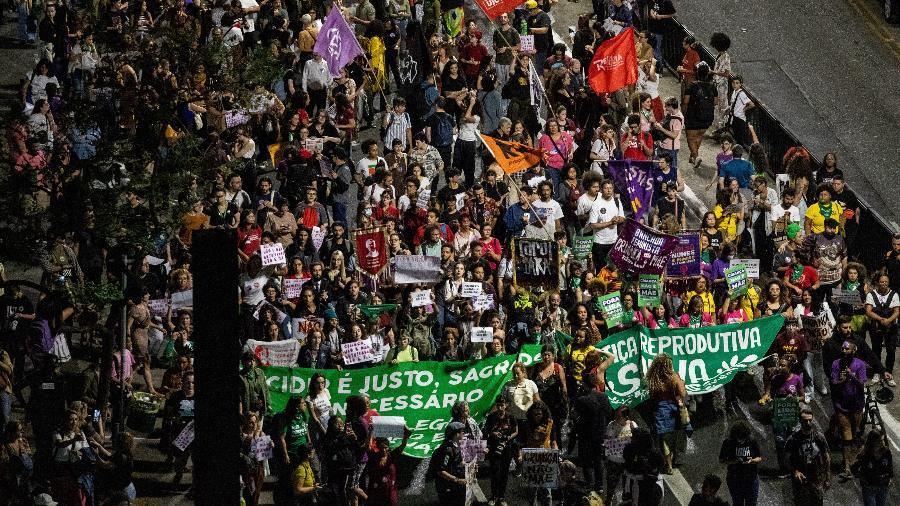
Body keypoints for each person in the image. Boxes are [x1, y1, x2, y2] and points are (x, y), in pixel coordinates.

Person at [646, 354, 687, 474]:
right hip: (674, 411)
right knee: (675, 436)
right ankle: (673, 458)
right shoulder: (674, 378)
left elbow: (652, 396)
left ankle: (668, 464)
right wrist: (682, 383)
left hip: (660, 412)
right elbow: (683, 394)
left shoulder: (654, 379)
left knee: (664, 441)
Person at [785, 408, 831, 506]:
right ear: (800, 421)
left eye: (810, 420)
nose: (808, 423)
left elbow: (826, 457)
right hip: (801, 480)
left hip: (816, 478)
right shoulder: (793, 439)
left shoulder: (819, 437)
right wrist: (794, 471)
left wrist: (827, 477)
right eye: (805, 421)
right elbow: (787, 459)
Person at [865, 273, 899, 386]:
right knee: (876, 349)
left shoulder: (894, 294)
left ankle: (888, 373)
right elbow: (869, 311)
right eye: (881, 282)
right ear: (877, 283)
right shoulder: (871, 294)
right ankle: (877, 371)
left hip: (891, 327)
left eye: (886, 282)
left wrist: (888, 321)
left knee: (890, 350)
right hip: (876, 326)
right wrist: (881, 319)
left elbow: (897, 312)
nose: (884, 284)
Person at [718, 421, 762, 506]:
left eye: (743, 439)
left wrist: (753, 461)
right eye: (739, 438)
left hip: (751, 480)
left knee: (751, 504)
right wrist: (733, 461)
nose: (741, 441)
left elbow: (759, 458)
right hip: (735, 480)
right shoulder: (728, 443)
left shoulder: (752, 441)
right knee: (737, 503)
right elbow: (721, 460)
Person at [851, 430, 893, 506]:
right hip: (869, 488)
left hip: (883, 487)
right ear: (873, 441)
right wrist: (863, 479)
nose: (882, 443)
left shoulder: (887, 452)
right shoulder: (864, 454)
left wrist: (890, 478)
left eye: (883, 440)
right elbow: (854, 468)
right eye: (880, 441)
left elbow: (890, 467)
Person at [432, 421, 467, 506]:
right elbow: (441, 471)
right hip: (448, 488)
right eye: (462, 432)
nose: (464, 434)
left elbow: (456, 462)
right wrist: (457, 480)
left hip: (457, 486)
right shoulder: (447, 450)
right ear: (456, 434)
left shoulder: (456, 445)